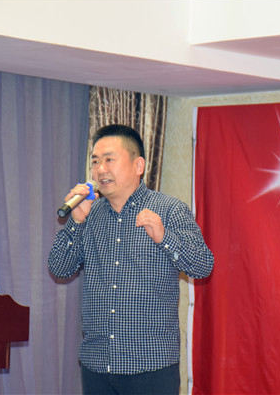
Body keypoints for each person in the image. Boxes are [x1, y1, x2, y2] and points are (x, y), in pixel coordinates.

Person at [48, 124, 214, 395]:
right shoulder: (89, 214)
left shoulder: (169, 210)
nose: (101, 169)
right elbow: (58, 268)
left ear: (139, 166)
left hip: (151, 367)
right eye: (95, 161)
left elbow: (203, 265)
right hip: (97, 365)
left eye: (109, 159)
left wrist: (164, 237)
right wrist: (76, 222)